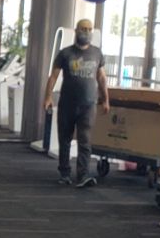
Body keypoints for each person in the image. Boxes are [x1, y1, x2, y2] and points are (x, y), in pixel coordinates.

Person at [43, 18, 110, 187]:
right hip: (67, 104)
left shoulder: (97, 53)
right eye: (83, 28)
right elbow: (53, 76)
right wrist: (48, 97)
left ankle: (83, 175)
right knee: (65, 139)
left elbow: (102, 78)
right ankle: (64, 173)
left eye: (89, 29)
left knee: (85, 140)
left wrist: (105, 100)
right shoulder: (65, 53)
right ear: (76, 30)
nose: (86, 32)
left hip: (88, 105)